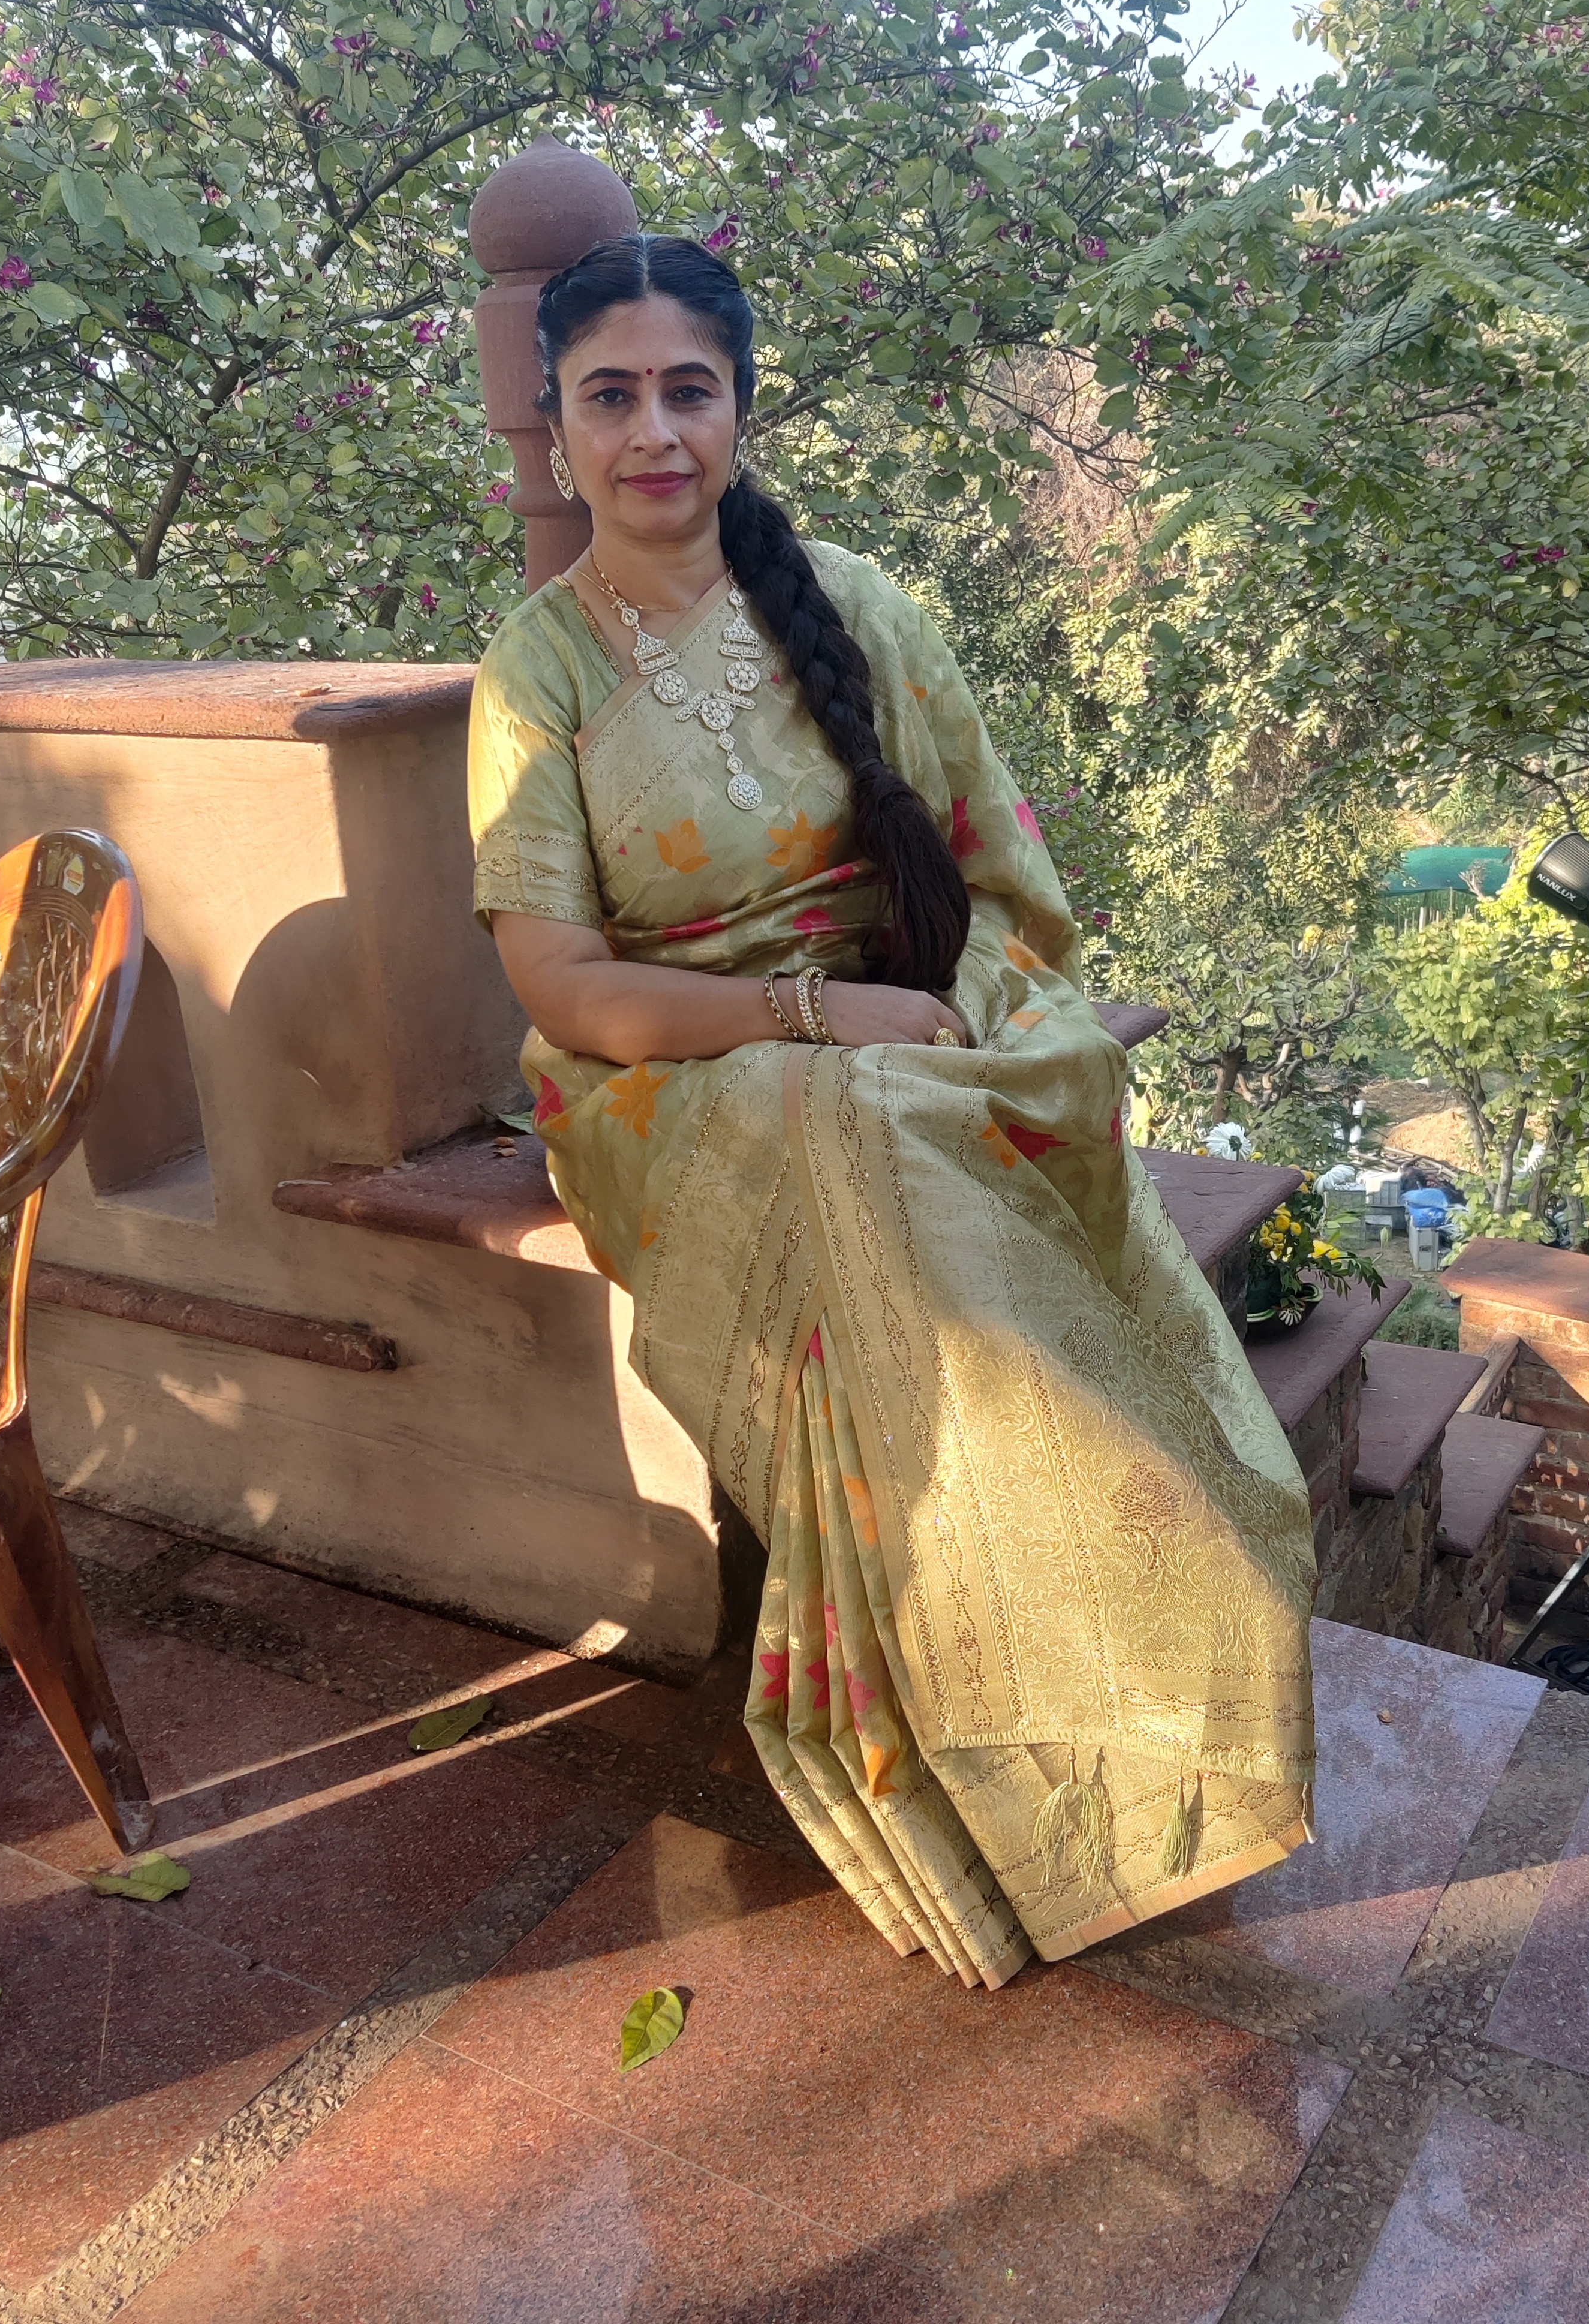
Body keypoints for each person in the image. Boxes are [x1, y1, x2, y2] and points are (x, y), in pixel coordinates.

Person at [469, 233, 1316, 1990]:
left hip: (896, 1020)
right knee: (845, 1135)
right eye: (610, 397)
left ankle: (1136, 1633)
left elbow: (995, 879)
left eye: (688, 391)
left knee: (893, 1129)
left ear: (741, 410)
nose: (652, 434)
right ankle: (958, 1733)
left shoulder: (856, 606)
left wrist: (919, 1016)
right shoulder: (535, 674)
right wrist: (807, 1019)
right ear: (555, 429)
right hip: (666, 1079)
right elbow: (563, 985)